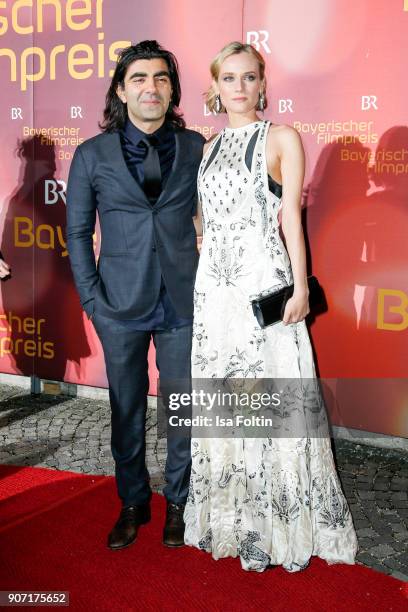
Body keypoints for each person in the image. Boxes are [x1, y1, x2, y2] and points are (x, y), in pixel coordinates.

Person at [183, 42, 358, 572]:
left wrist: (301, 286)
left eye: (249, 77)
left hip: (265, 287)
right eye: (229, 78)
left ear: (263, 83)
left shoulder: (281, 137)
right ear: (214, 87)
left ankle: (277, 524)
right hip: (217, 294)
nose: (239, 88)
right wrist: (206, 244)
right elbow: (205, 220)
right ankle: (231, 518)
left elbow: (289, 220)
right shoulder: (207, 146)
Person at [66, 41, 205, 550]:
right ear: (121, 90)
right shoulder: (91, 155)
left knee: (181, 408)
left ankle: (179, 502)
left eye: (162, 78)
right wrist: (93, 303)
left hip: (184, 303)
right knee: (125, 408)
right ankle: (132, 501)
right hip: (118, 307)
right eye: (140, 78)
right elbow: (77, 234)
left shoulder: (195, 147)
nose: (152, 87)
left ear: (173, 90)